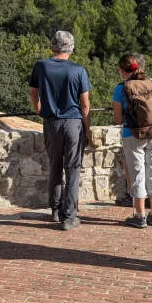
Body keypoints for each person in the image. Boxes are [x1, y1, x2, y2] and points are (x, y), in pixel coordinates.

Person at [29, 30, 92, 231]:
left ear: (52, 47)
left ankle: (55, 209)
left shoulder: (41, 66)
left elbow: (33, 93)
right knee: (73, 169)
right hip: (73, 123)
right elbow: (85, 104)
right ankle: (69, 216)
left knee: (55, 165)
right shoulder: (78, 70)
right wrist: (87, 129)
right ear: (71, 49)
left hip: (51, 122)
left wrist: (39, 110)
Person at [112, 53, 152, 228]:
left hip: (132, 133)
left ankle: (140, 216)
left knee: (137, 175)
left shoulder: (121, 88)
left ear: (122, 70)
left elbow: (118, 119)